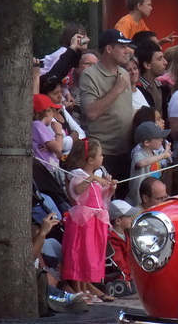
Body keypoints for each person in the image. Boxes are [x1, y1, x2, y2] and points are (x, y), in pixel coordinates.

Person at [78, 29, 135, 188]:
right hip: (103, 154)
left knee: (124, 205)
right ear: (109, 49)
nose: (127, 51)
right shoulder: (90, 75)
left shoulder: (123, 72)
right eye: (122, 46)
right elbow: (91, 112)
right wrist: (117, 88)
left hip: (126, 150)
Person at [62, 138, 116, 303]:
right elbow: (78, 191)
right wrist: (92, 178)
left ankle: (86, 288)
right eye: (100, 155)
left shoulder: (95, 176)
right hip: (83, 222)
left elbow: (100, 199)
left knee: (90, 255)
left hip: (95, 222)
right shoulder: (79, 175)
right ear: (90, 160)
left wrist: (110, 188)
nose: (103, 158)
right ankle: (78, 290)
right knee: (80, 254)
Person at [128, 121, 172, 206]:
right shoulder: (138, 154)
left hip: (153, 198)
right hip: (139, 202)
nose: (161, 140)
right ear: (147, 142)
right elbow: (141, 163)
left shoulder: (155, 154)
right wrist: (163, 155)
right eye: (158, 137)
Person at [107, 199, 139, 291]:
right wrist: (124, 280)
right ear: (118, 221)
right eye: (128, 216)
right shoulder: (112, 239)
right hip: (120, 279)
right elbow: (119, 263)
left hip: (129, 276)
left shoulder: (125, 235)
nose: (131, 219)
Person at [135, 41, 169, 121]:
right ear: (147, 65)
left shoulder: (161, 87)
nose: (165, 62)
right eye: (160, 59)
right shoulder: (136, 89)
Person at [31, 94, 66, 172]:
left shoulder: (40, 126)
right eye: (52, 110)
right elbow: (58, 148)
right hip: (47, 171)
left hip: (51, 169)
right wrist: (58, 132)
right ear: (47, 111)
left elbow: (58, 154)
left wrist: (50, 147)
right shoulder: (37, 124)